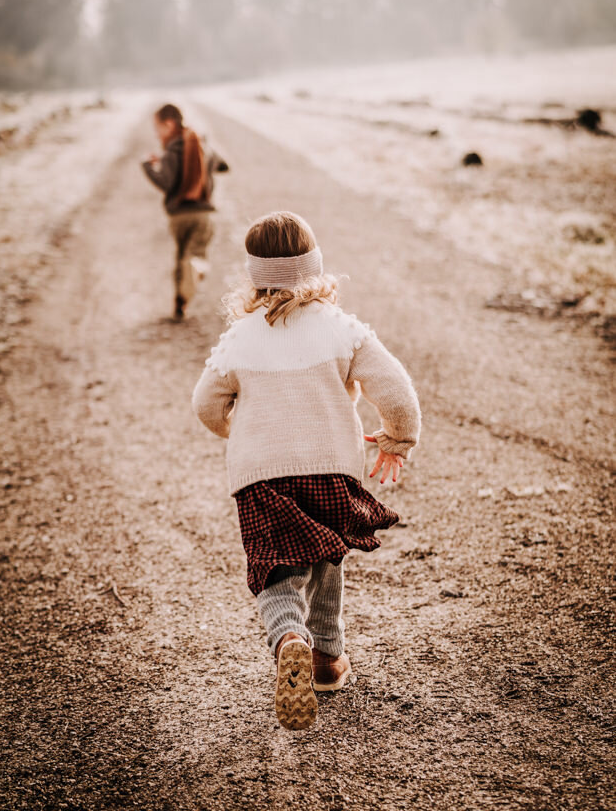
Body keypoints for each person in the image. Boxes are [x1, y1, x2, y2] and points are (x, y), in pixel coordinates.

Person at [192, 211, 421, 730]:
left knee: (274, 564)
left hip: (260, 472)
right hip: (331, 467)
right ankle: (326, 657)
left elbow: (205, 403)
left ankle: (289, 636)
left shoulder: (241, 337)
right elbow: (397, 393)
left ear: (254, 275)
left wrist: (238, 430)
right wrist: (397, 439)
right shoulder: (343, 331)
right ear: (314, 267)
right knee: (325, 554)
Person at [142, 103, 227, 320]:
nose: (156, 133)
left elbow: (166, 184)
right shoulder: (201, 146)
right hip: (202, 214)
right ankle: (192, 274)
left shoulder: (171, 152)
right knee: (196, 256)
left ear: (169, 124)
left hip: (178, 217)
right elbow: (223, 166)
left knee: (181, 258)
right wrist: (206, 155)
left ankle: (180, 304)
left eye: (157, 127)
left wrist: (149, 168)